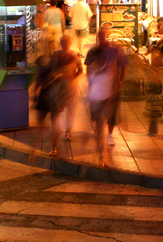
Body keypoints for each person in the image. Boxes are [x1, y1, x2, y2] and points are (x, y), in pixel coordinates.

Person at [35, 33, 82, 156]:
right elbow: (50, 69)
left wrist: (72, 78)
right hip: (57, 87)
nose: (64, 44)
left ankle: (68, 131)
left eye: (66, 42)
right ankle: (55, 145)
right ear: (60, 43)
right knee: (57, 114)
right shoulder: (55, 55)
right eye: (63, 42)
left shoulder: (75, 55)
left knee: (70, 109)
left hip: (70, 87)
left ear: (70, 43)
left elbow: (80, 70)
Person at [84, 28, 127, 166]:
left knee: (111, 114)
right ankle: (100, 148)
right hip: (98, 90)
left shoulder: (115, 51)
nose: (102, 38)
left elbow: (124, 65)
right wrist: (90, 82)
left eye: (104, 36)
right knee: (98, 119)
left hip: (112, 89)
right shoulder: (93, 51)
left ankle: (108, 135)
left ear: (107, 37)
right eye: (100, 36)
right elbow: (87, 67)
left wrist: (120, 81)